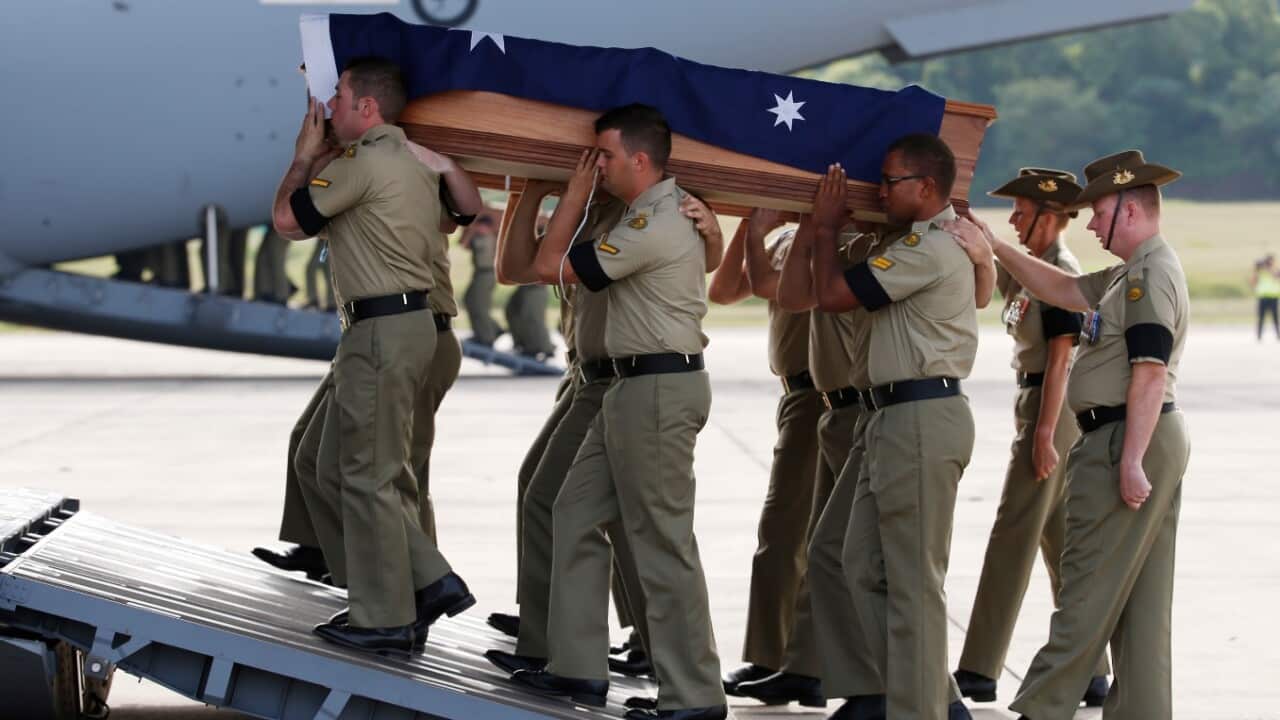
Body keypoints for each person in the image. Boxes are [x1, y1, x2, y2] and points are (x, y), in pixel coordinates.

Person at [950, 150, 1190, 720]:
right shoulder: (1135, 270)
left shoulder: (1147, 278)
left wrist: (1131, 460)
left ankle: (1042, 709)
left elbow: (1150, 373)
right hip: (1142, 436)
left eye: (1098, 212)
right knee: (1141, 602)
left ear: (1129, 210)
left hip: (1127, 438)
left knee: (1085, 592)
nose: (1088, 223)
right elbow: (1064, 289)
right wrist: (996, 246)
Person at [509, 104, 727, 720]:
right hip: (629, 390)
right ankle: (578, 667)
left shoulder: (655, 220)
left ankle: (695, 697)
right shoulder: (650, 214)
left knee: (663, 544)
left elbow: (550, 267)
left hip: (659, 391)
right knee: (571, 510)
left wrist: (573, 198)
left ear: (639, 160)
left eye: (603, 156)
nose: (594, 165)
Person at [271, 56, 473, 655]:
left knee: (369, 475)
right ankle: (401, 590)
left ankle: (408, 597)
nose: (326, 111)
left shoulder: (367, 162)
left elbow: (287, 220)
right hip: (395, 327)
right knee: (340, 466)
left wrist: (305, 154)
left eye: (336, 101)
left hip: (384, 331)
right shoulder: (407, 161)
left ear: (367, 107)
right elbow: (461, 210)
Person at [810, 134, 984, 719]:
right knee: (850, 558)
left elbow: (834, 295)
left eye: (890, 181)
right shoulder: (915, 243)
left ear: (928, 187)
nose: (880, 191)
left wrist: (826, 227)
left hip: (920, 418)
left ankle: (924, 709)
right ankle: (930, 697)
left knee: (913, 582)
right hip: (890, 417)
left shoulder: (927, 249)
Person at [952, 169, 1110, 707]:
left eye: (1020, 212)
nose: (1013, 221)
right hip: (1035, 404)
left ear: (1050, 216)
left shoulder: (1060, 273)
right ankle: (1092, 666)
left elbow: (1063, 361)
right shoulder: (1027, 275)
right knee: (1060, 544)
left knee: (1012, 532)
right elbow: (992, 270)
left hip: (1052, 409)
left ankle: (978, 667)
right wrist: (969, 226)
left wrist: (1044, 436)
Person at [462, 210, 504, 346]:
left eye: (482, 226)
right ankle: (492, 329)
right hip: (479, 274)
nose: (479, 229)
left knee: (480, 306)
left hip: (487, 274)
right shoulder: (479, 238)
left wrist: (471, 230)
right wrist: (471, 230)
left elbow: (464, 244)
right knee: (470, 300)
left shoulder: (489, 239)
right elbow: (465, 244)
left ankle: (487, 336)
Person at [1252, 253, 1279, 340]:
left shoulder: (1276, 270)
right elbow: (1253, 282)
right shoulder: (1260, 271)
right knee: (1261, 317)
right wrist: (1257, 270)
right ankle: (1259, 336)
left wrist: (1269, 269)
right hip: (1262, 297)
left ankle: (1278, 335)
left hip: (1273, 297)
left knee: (1275, 318)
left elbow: (1276, 276)